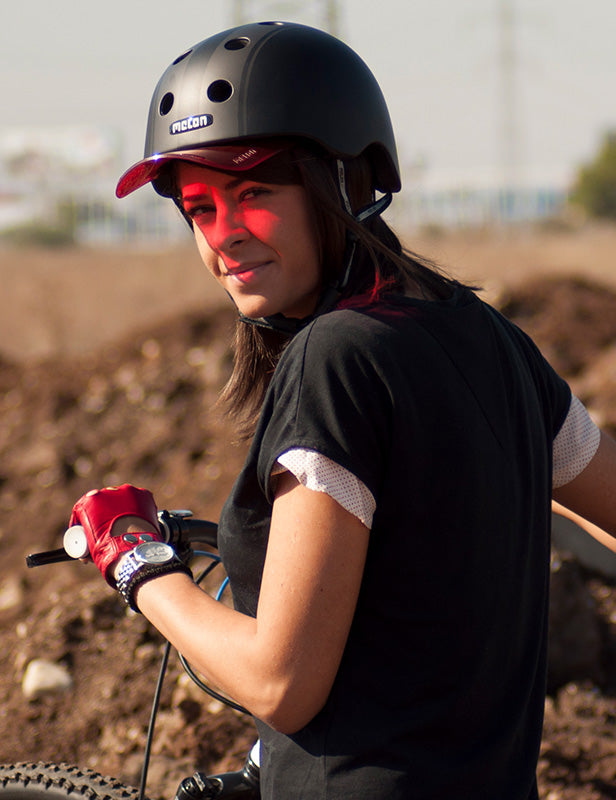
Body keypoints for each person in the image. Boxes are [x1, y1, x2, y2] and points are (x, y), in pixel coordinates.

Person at [68, 21, 616, 799]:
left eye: (254, 193)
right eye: (198, 207)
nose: (223, 237)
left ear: (342, 182)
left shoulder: (338, 359)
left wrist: (138, 563)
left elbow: (281, 682)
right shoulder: (485, 334)